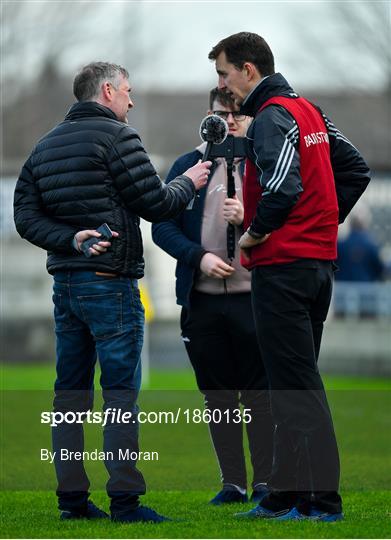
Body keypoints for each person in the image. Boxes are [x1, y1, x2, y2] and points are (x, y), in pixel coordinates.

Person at [13, 62, 211, 523]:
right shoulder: (119, 138)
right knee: (120, 395)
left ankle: (72, 502)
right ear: (107, 90)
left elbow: (25, 218)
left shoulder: (43, 146)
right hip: (111, 285)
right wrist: (190, 182)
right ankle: (125, 502)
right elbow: (155, 203)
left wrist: (70, 238)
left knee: (69, 396)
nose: (131, 100)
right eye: (127, 91)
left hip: (66, 286)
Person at [208, 32, 371, 521]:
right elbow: (356, 168)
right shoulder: (310, 111)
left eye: (223, 73)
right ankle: (284, 491)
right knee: (287, 382)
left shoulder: (272, 116)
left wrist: (253, 234)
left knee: (296, 387)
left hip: (284, 268)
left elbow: (281, 187)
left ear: (249, 70)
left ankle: (323, 499)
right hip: (318, 266)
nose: (222, 84)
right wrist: (321, 221)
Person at [152, 88, 274, 505]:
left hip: (252, 298)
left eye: (242, 113)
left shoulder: (263, 165)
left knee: (258, 393)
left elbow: (286, 215)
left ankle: (265, 482)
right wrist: (198, 257)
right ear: (211, 116)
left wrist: (251, 219)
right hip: (201, 300)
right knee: (218, 395)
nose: (234, 120)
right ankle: (232, 483)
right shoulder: (188, 165)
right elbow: (161, 226)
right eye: (226, 113)